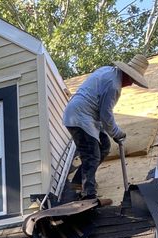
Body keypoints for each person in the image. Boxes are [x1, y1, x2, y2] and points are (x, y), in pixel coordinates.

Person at [62, 54, 149, 203]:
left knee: (104, 147)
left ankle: (78, 182)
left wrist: (110, 132)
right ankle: (88, 193)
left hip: (85, 116)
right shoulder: (114, 86)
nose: (131, 84)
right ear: (128, 76)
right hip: (80, 117)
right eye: (133, 81)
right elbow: (106, 115)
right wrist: (117, 133)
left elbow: (100, 110)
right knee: (92, 154)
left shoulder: (107, 71)